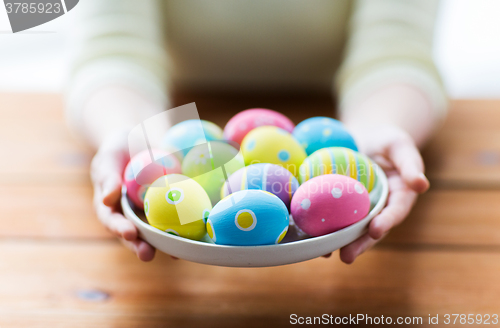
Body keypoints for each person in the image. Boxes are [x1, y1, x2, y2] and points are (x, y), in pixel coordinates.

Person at [66, 0, 447, 263]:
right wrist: (133, 135)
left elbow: (396, 51)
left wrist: (380, 129)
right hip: (181, 111)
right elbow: (112, 51)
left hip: (336, 108)